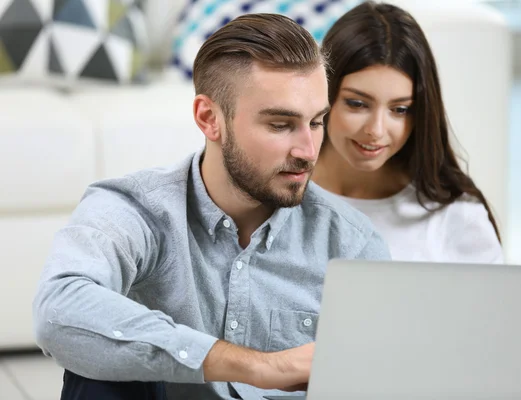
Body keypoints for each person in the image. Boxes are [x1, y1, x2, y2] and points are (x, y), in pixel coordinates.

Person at [32, 13, 390, 400]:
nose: (307, 151)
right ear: (209, 118)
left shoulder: (352, 244)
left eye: (317, 122)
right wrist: (260, 366)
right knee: (98, 369)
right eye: (280, 125)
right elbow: (59, 308)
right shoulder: (136, 209)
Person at [311, 2, 521, 399]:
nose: (377, 130)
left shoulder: (452, 212)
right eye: (357, 103)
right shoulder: (277, 189)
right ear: (322, 95)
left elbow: (504, 351)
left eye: (401, 109)